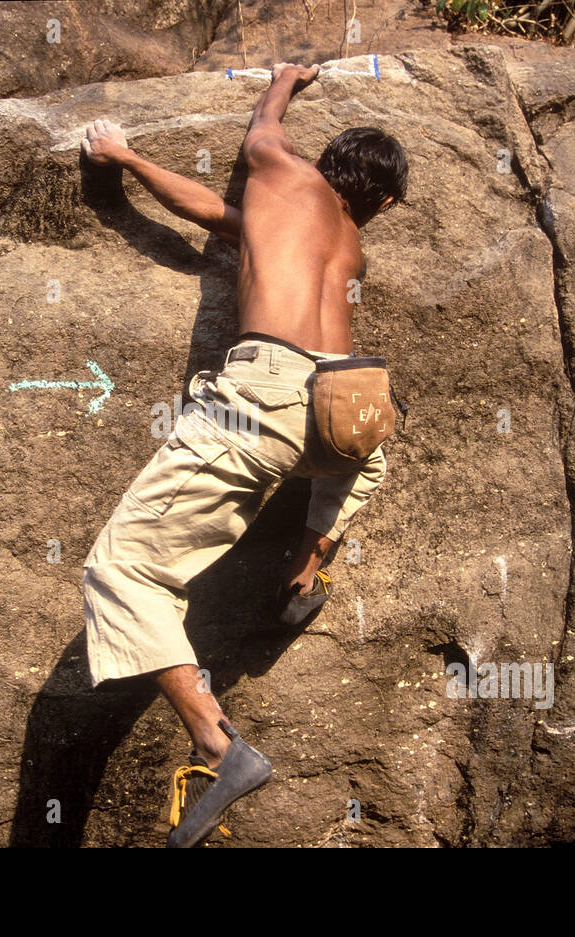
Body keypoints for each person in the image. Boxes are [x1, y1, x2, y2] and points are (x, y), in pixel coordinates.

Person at [79, 62, 409, 847]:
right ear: (384, 200)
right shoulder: (353, 246)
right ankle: (307, 566)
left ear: (320, 163)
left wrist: (283, 81)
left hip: (264, 400)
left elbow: (259, 133)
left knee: (120, 569)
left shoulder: (284, 173)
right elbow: (222, 216)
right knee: (368, 455)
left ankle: (218, 746)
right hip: (345, 407)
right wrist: (132, 167)